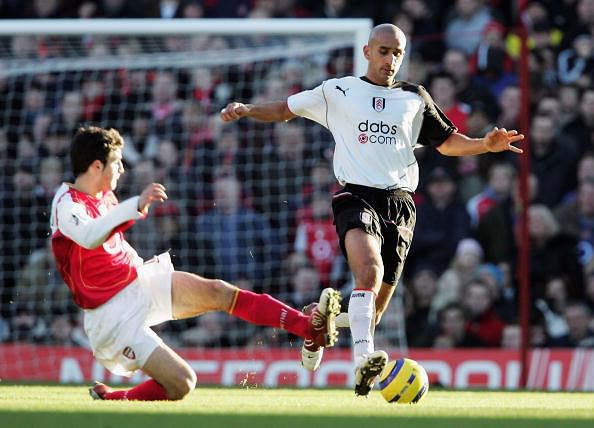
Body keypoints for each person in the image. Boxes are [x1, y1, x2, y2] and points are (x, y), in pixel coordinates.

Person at [220, 23, 524, 396]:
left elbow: (447, 142)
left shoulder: (415, 98)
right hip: (356, 196)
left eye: (397, 53)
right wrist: (249, 109)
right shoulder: (339, 91)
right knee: (369, 272)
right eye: (384, 51)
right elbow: (285, 109)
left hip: (401, 205)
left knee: (373, 312)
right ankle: (363, 362)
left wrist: (484, 145)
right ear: (367, 52)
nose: (390, 60)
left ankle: (315, 328)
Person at [50, 126, 341, 401]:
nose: (122, 169)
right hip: (111, 316)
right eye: (117, 162)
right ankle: (116, 398)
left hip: (139, 282)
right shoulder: (66, 205)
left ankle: (307, 328)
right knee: (182, 383)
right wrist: (135, 205)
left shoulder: (105, 194)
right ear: (97, 166)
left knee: (219, 291)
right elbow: (89, 237)